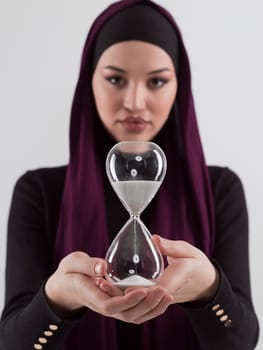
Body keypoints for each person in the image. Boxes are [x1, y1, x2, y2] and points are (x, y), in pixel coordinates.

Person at [0, 0, 259, 349]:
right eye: (115, 79)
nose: (135, 102)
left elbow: (242, 342)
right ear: (88, 81)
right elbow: (11, 342)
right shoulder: (40, 191)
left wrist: (209, 289)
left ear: (178, 87)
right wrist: (57, 299)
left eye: (156, 81)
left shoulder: (218, 190)